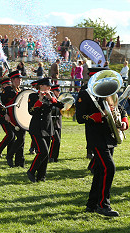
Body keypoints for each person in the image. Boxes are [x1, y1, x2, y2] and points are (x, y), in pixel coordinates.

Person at [76, 70, 128, 217]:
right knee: (109, 168)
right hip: (96, 137)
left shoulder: (109, 91)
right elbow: (80, 117)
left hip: (109, 136)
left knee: (100, 172)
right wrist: (100, 115)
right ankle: (103, 205)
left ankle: (92, 204)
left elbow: (120, 109)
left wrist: (123, 121)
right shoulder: (85, 94)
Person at [26, 78, 62, 182]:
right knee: (43, 151)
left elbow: (61, 106)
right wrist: (40, 100)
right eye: (47, 86)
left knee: (45, 155)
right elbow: (31, 111)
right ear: (41, 86)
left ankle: (41, 176)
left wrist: (52, 98)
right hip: (36, 128)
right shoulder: (32, 96)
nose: (49, 88)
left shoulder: (51, 96)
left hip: (47, 127)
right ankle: (31, 171)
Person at [2, 70, 26, 168]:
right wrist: (5, 114)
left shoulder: (20, 90)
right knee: (20, 138)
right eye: (17, 79)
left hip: (20, 117)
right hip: (11, 118)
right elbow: (2, 104)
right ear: (12, 80)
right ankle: (10, 155)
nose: (19, 81)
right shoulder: (8, 90)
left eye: (20, 79)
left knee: (22, 139)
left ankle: (19, 162)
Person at [0, 78, 15, 158]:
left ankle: (9, 153)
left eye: (9, 84)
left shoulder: (11, 92)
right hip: (3, 117)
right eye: (7, 84)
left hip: (11, 116)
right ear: (3, 85)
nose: (8, 86)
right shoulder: (2, 94)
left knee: (12, 136)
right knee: (10, 135)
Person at [48, 85, 64, 162]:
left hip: (58, 123)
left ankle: (55, 157)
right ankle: (51, 157)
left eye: (59, 91)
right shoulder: (50, 99)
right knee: (56, 140)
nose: (59, 92)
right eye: (57, 91)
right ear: (53, 91)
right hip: (52, 123)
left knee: (58, 141)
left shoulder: (59, 100)